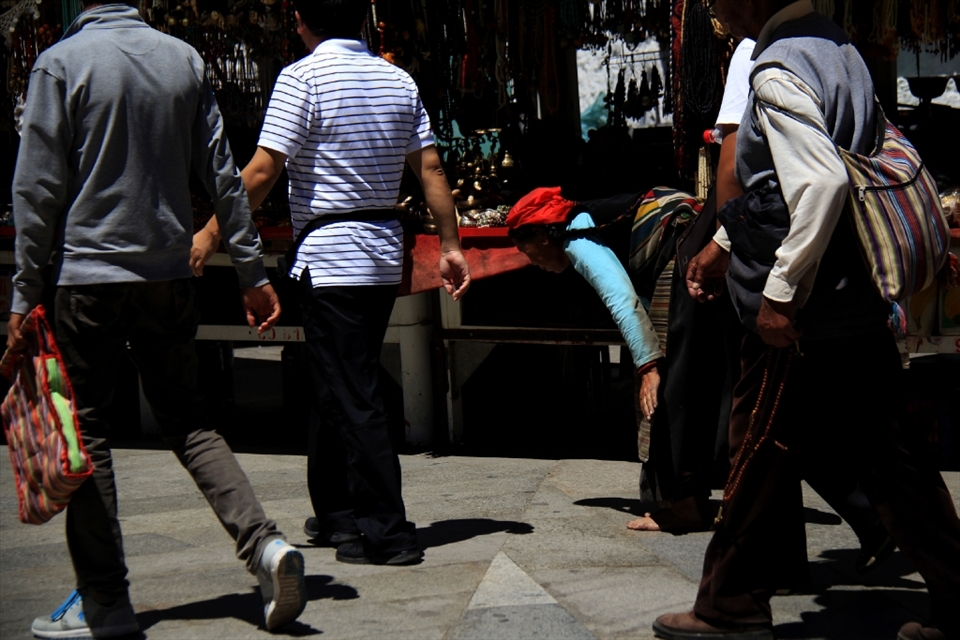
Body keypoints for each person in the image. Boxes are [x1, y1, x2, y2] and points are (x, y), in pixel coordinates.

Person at [654, 1, 960, 639]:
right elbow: (802, 177)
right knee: (893, 455)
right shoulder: (836, 47)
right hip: (853, 293)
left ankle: (730, 606)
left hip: (803, 313)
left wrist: (780, 293)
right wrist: (730, 244)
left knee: (756, 447)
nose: (715, 11)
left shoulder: (776, 67)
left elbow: (819, 183)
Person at [6, 2, 306, 637]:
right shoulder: (182, 59)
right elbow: (223, 176)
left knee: (87, 432)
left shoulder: (59, 64)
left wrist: (24, 292)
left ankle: (105, 602)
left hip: (86, 280)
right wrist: (251, 273)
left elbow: (36, 190)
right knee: (191, 422)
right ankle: (265, 545)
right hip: (169, 276)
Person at [192, 0, 471, 566]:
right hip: (380, 255)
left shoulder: (302, 78)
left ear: (300, 20)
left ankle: (387, 533)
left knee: (353, 391)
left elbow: (263, 171)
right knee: (334, 382)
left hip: (332, 259)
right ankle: (338, 512)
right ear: (362, 19)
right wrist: (450, 244)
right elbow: (431, 169)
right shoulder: (397, 80)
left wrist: (212, 232)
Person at [632, 34, 894, 579]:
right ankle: (767, 570)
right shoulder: (839, 50)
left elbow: (761, 173)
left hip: (776, 259)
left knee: (761, 416)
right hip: (837, 266)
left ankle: (741, 583)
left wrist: (738, 253)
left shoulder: (765, 58)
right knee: (799, 415)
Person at [506, 186, 675, 429]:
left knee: (657, 377)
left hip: (675, 228)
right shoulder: (580, 227)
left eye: (524, 250)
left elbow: (622, 299)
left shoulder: (578, 239)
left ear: (541, 236)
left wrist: (648, 366)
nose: (530, 261)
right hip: (676, 229)